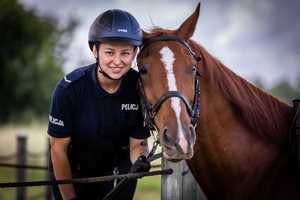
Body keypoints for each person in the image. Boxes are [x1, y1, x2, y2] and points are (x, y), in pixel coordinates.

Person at [47, 9, 150, 200]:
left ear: (135, 52)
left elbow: (137, 144)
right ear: (95, 50)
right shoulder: (68, 90)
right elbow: (57, 148)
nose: (118, 61)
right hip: (73, 173)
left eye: (125, 53)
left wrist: (141, 159)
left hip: (118, 174)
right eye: (109, 52)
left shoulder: (139, 89)